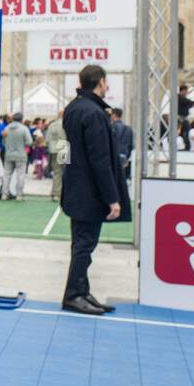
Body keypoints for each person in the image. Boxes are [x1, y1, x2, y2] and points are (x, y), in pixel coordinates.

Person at [60, 64, 130, 316]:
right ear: (100, 81)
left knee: (81, 244)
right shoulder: (94, 113)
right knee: (84, 246)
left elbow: (66, 151)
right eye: (106, 81)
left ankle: (81, 290)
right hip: (89, 192)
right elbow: (100, 159)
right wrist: (112, 199)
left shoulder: (73, 109)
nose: (108, 86)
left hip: (76, 188)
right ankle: (74, 294)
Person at [0, 112, 32, 201]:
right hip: (21, 155)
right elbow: (29, 142)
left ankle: (4, 194)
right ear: (21, 119)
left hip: (9, 155)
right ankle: (19, 194)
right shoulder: (24, 129)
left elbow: (3, 142)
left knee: (6, 175)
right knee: (20, 175)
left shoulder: (6, 128)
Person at [45, 108, 68, 201]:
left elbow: (47, 139)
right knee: (65, 172)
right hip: (63, 148)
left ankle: (55, 193)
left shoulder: (52, 125)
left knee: (56, 172)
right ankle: (61, 192)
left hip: (53, 149)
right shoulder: (67, 123)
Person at [109, 107, 134, 182]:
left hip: (112, 158)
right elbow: (131, 145)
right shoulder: (129, 129)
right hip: (123, 157)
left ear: (113, 115)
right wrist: (126, 157)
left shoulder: (110, 128)